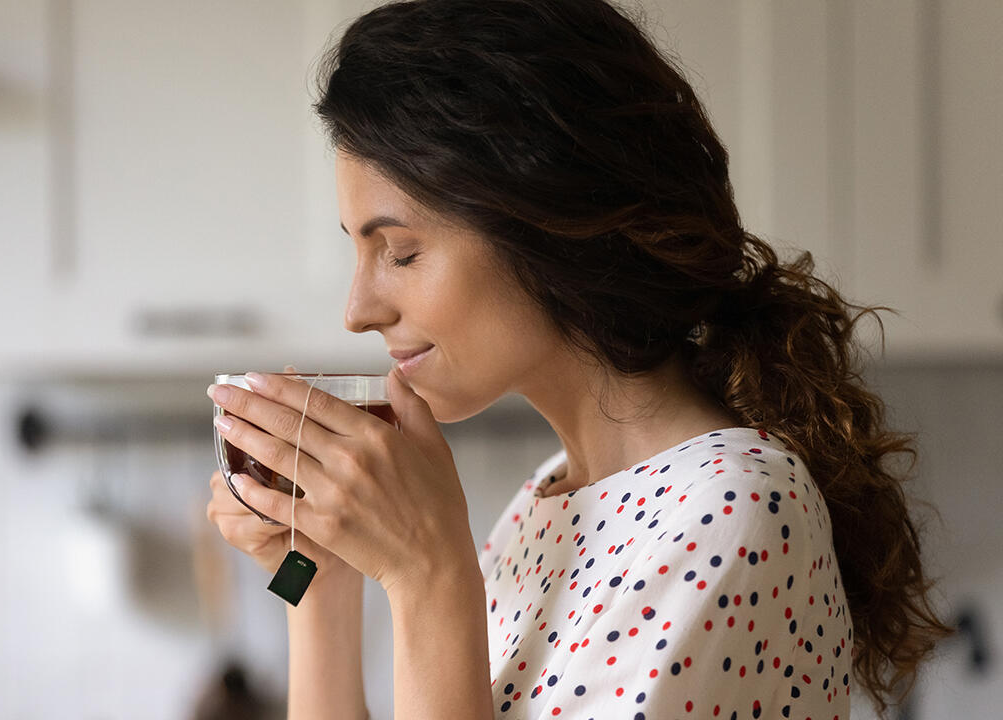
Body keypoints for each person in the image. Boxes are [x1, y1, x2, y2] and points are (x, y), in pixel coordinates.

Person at [203, 1, 954, 718]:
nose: (359, 309)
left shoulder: (728, 510)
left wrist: (429, 576)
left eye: (399, 252)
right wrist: (319, 582)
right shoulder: (550, 500)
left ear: (545, 222)